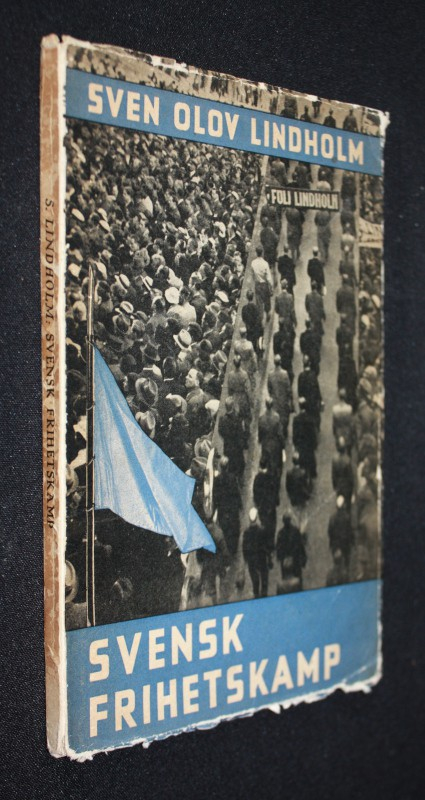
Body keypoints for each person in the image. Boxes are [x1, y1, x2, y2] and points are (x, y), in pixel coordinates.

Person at [213, 456, 242, 556]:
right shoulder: (232, 478)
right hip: (232, 508)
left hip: (223, 509)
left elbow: (215, 496)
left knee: (226, 528)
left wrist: (216, 507)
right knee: (235, 527)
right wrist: (240, 504)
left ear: (220, 467)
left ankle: (229, 546)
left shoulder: (217, 480)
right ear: (228, 466)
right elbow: (236, 492)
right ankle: (234, 546)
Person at [253, 457, 280, 560]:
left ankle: (267, 546)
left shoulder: (257, 479)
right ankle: (271, 544)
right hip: (271, 507)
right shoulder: (271, 476)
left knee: (265, 525)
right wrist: (276, 501)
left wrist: (258, 505)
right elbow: (275, 490)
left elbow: (255, 494)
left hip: (262, 508)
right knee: (272, 525)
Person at [276, 511, 307, 589]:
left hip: (285, 563)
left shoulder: (281, 533)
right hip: (295, 560)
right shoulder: (295, 531)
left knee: (286, 582)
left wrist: (280, 558)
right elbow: (300, 545)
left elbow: (278, 550)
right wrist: (303, 558)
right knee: (298, 581)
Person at [242, 508, 269, 598]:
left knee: (254, 575)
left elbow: (244, 546)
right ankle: (264, 591)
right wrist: (268, 556)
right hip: (261, 556)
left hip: (251, 558)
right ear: (256, 518)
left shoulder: (246, 532)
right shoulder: (262, 530)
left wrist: (246, 558)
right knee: (264, 573)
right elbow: (266, 544)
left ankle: (256, 592)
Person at [218, 396, 246, 479]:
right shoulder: (238, 419)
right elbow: (241, 433)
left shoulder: (222, 419)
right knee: (240, 463)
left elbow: (220, 432)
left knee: (229, 464)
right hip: (237, 446)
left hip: (227, 446)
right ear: (233, 406)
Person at [267, 354, 293, 440]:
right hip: (283, 400)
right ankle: (284, 432)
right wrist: (289, 398)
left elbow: (269, 388)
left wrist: (272, 395)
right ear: (280, 362)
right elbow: (288, 388)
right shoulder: (285, 374)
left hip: (275, 400)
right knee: (284, 417)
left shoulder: (270, 374)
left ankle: (277, 433)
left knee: (276, 417)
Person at [258, 397, 285, 479]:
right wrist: (283, 444)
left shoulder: (261, 418)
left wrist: (260, 440)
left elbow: (260, 433)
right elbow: (280, 433)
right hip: (275, 444)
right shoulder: (276, 417)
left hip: (265, 444)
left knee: (265, 461)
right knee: (276, 462)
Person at [292, 397, 317, 482]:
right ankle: (311, 475)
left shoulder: (296, 419)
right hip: (309, 445)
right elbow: (313, 433)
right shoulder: (310, 418)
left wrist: (295, 444)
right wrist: (314, 444)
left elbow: (295, 434)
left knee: (302, 462)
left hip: (301, 445)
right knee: (310, 460)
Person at [327, 495, 354, 571]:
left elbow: (329, 532)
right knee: (346, 559)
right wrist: (352, 541)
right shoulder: (347, 517)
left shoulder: (332, 518)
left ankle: (338, 569)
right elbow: (350, 531)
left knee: (337, 560)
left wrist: (332, 543)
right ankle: (346, 569)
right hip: (345, 543)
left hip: (335, 544)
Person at [298, 355, 322, 431]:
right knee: (315, 415)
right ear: (309, 363)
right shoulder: (313, 375)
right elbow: (317, 389)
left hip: (305, 402)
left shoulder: (301, 376)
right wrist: (320, 399)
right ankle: (317, 427)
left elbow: (300, 391)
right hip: (313, 401)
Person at [251, 244, 273, 321]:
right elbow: (269, 278)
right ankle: (267, 313)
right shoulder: (265, 264)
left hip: (257, 284)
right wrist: (271, 287)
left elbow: (253, 275)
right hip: (264, 284)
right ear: (262, 252)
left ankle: (261, 318)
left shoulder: (253, 263)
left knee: (259, 302)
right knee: (267, 300)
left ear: (256, 253)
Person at [331, 437, 354, 509]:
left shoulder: (334, 459)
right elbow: (350, 477)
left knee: (340, 502)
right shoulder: (347, 460)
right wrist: (352, 488)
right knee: (347, 504)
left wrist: (335, 485)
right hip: (347, 487)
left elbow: (333, 475)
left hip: (339, 485)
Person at [241, 288, 263, 355]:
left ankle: (253, 352)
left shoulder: (244, 308)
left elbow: (244, 319)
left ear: (247, 297)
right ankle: (260, 350)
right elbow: (259, 318)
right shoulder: (256, 307)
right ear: (252, 297)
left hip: (249, 329)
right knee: (259, 338)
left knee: (251, 342)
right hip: (256, 328)